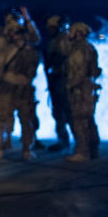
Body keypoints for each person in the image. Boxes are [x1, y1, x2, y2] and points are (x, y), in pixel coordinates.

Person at [0, 20, 40, 161]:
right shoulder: (32, 51)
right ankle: (27, 150)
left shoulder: (7, 51)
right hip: (26, 90)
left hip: (8, 90)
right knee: (27, 121)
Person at [64, 22, 101, 162]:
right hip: (87, 88)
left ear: (77, 33)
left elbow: (79, 72)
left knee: (80, 120)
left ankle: (83, 151)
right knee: (88, 119)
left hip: (80, 89)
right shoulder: (90, 48)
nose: (69, 34)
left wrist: (70, 85)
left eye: (71, 32)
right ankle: (93, 149)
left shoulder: (79, 50)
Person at [43, 15, 72, 151]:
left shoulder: (65, 39)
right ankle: (63, 140)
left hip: (64, 80)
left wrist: (54, 59)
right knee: (58, 112)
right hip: (56, 80)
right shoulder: (54, 41)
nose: (49, 30)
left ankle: (80, 142)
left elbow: (65, 58)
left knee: (69, 112)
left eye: (52, 28)